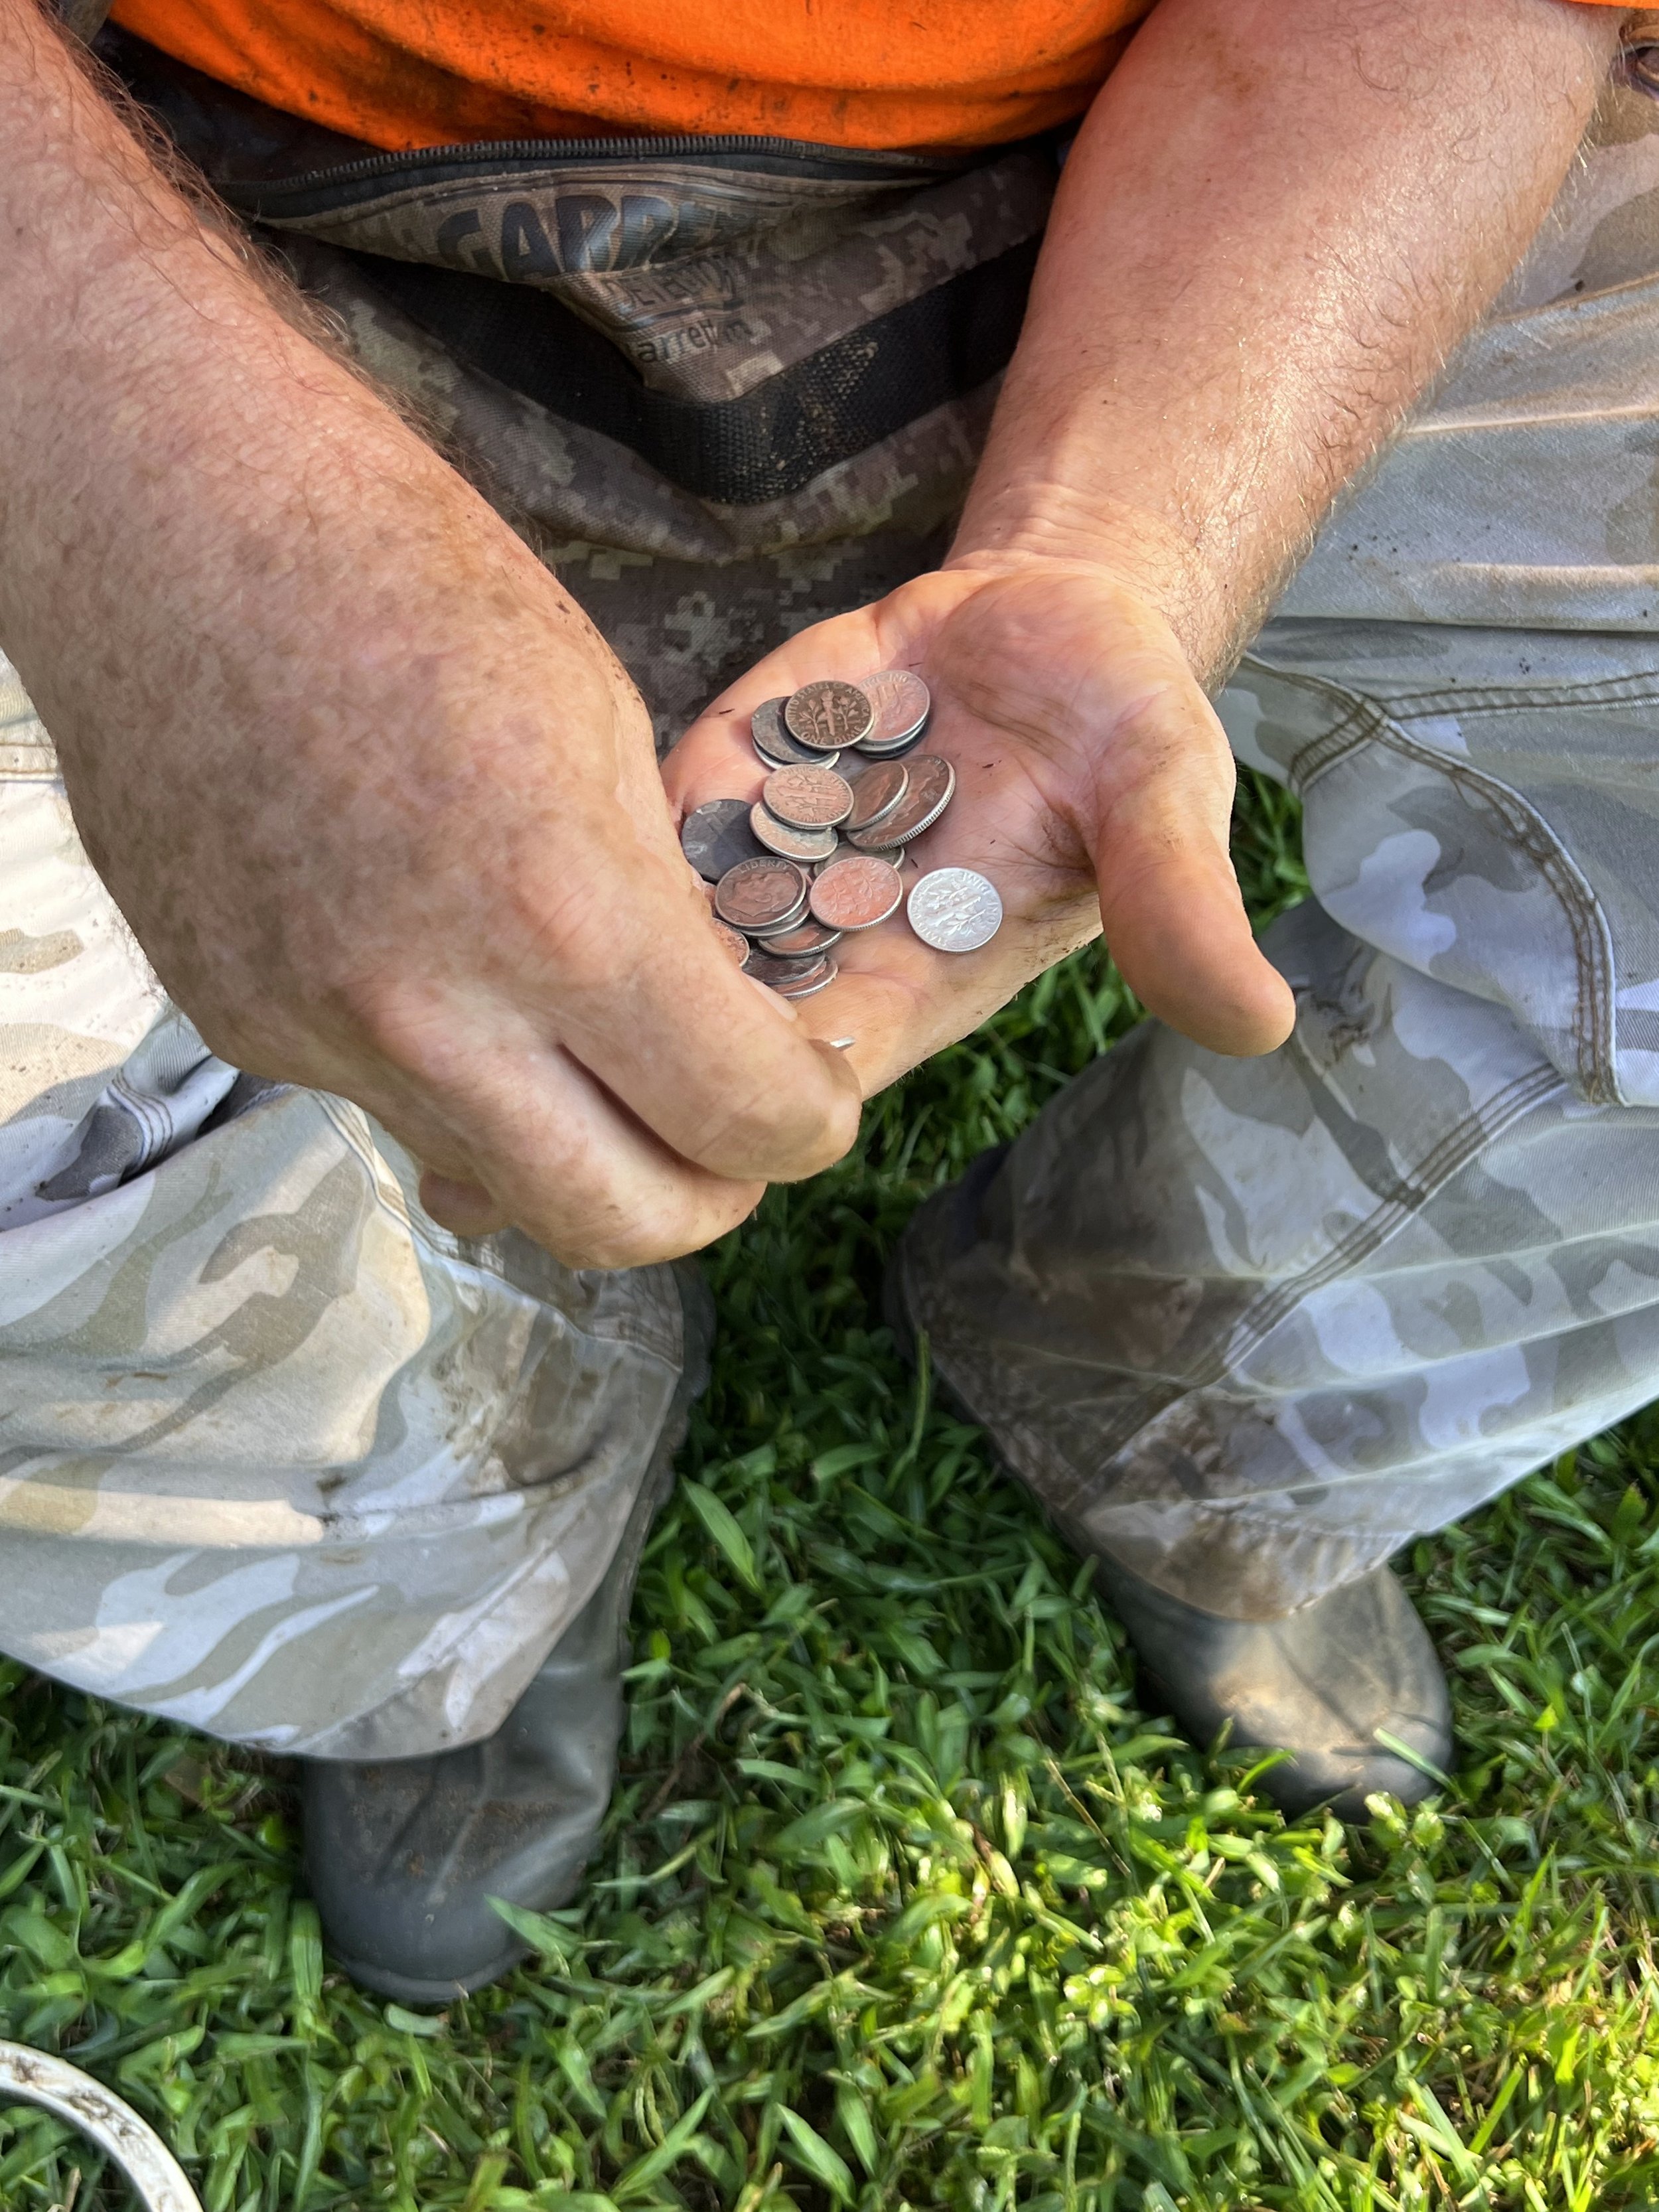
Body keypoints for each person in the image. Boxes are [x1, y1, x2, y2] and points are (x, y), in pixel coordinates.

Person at [0, 0, 1643, 2001]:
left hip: (1215, 148)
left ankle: (1193, 1405)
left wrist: (1121, 537)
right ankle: (439, 1558)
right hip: (119, 160)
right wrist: (160, 520)